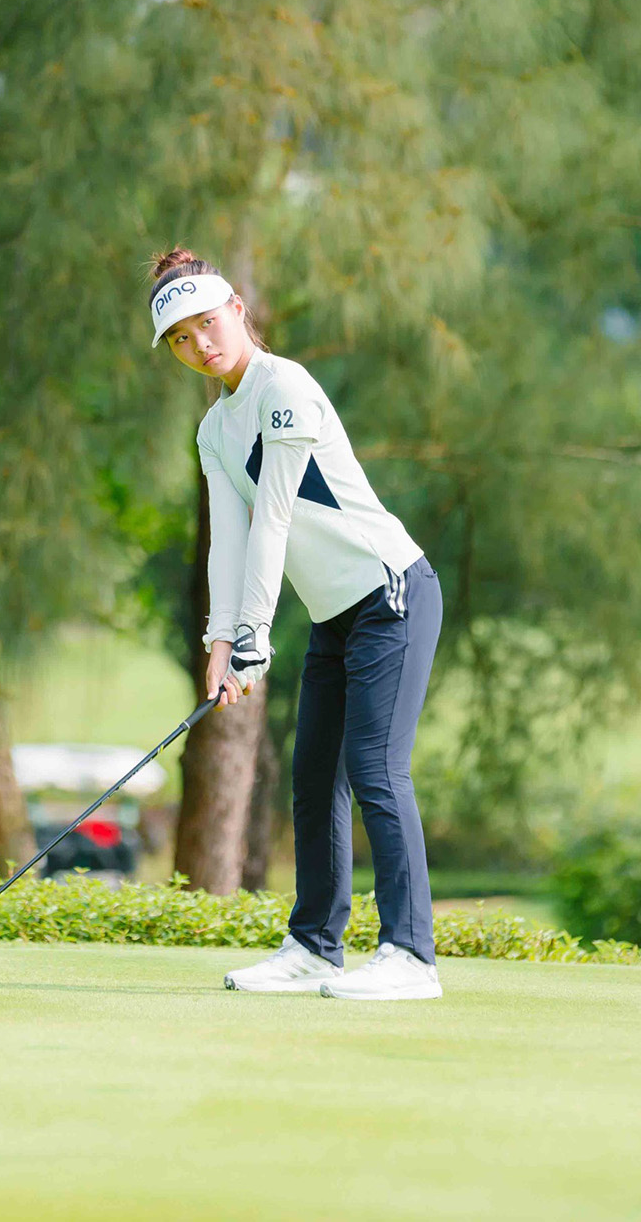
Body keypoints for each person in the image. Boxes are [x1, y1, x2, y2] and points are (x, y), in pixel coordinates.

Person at [148, 247, 445, 1002]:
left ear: (237, 309)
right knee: (314, 781)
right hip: (334, 616)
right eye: (180, 338)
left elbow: (273, 518)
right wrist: (221, 642)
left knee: (376, 768)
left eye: (206, 323)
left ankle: (412, 956)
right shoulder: (215, 430)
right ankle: (315, 947)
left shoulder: (285, 386)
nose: (199, 344)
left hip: (390, 592)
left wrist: (254, 633)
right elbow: (229, 541)